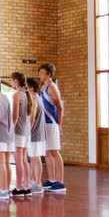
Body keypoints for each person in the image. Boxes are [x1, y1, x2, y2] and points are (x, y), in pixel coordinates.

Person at [39, 63, 67, 193]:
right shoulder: (42, 87)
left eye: (42, 73)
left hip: (52, 123)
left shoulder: (52, 87)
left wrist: (59, 124)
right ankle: (51, 179)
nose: (40, 75)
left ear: (48, 74)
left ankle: (60, 182)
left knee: (54, 152)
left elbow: (59, 107)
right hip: (44, 123)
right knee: (47, 152)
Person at [10, 72, 32, 197]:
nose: (11, 83)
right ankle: (27, 186)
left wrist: (9, 129)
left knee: (19, 160)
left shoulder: (17, 95)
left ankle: (18, 187)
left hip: (19, 131)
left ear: (16, 81)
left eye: (12, 81)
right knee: (24, 159)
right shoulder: (27, 94)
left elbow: (15, 117)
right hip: (26, 131)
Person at [27, 78, 45, 194]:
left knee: (36, 158)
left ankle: (38, 184)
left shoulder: (34, 100)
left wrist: (28, 131)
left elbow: (32, 118)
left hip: (35, 133)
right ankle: (32, 181)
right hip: (38, 133)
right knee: (33, 158)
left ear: (32, 88)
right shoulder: (39, 99)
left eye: (27, 87)